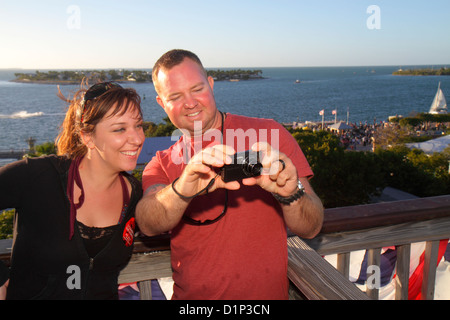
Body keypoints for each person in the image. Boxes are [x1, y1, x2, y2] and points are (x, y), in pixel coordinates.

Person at [136, 49, 324, 300]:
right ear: (161, 102)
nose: (190, 102)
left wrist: (291, 194)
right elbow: (148, 223)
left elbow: (311, 227)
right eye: (176, 96)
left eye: (197, 89)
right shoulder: (160, 163)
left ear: (211, 85)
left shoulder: (270, 135)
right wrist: (183, 189)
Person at [0, 80, 145, 299]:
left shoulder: (134, 193)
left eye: (139, 125)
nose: (137, 138)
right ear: (88, 137)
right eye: (120, 129)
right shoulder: (38, 176)